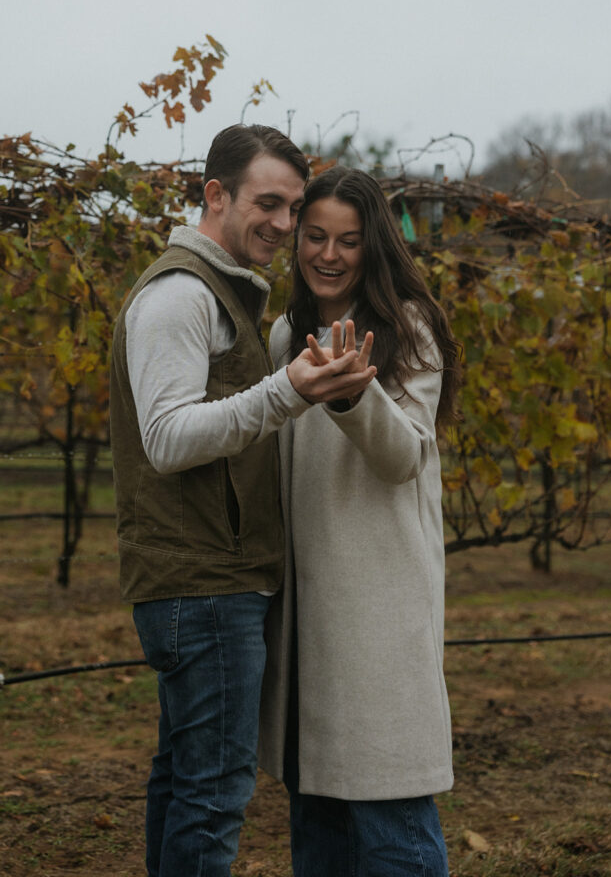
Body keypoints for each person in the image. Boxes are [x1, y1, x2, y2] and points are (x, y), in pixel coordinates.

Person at [109, 126, 376, 877]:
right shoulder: (179, 296)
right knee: (214, 790)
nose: (285, 226)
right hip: (204, 585)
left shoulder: (221, 289)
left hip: (210, 582)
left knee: (186, 778)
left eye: (293, 207)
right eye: (268, 203)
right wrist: (286, 390)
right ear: (215, 194)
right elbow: (166, 438)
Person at [259, 166, 462, 876]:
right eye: (314, 236)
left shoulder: (407, 326)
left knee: (388, 808)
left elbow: (405, 456)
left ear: (371, 245)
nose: (328, 254)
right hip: (305, 606)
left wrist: (354, 397)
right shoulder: (286, 332)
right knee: (317, 810)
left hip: (377, 605)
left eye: (347, 240)